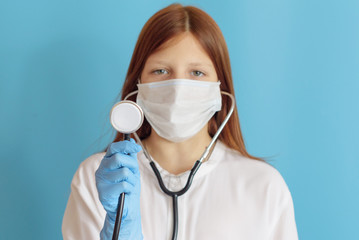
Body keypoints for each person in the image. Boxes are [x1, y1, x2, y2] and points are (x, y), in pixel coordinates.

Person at [62, 3, 298, 240]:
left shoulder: (263, 186)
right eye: (161, 71)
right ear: (138, 85)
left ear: (220, 89)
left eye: (197, 73)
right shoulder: (100, 179)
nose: (177, 89)